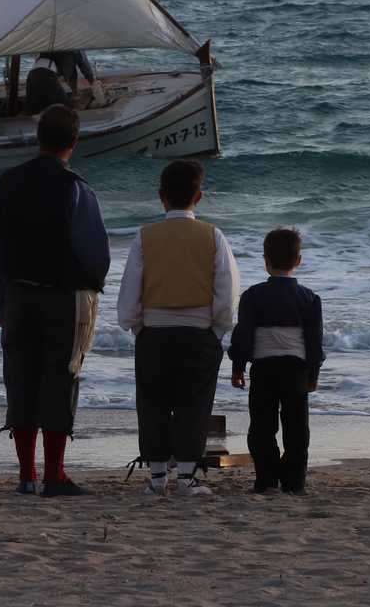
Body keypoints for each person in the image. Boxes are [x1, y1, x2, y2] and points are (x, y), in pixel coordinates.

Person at [0, 104, 109, 497]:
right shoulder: (76, 189)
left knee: (20, 380)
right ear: (74, 142)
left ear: (38, 139)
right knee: (60, 380)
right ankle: (54, 475)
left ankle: (26, 475)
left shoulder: (6, 183)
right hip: (63, 298)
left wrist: (1, 299)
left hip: (17, 295)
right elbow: (94, 254)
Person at [117, 158, 239, 498]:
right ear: (199, 197)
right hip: (199, 333)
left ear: (161, 197)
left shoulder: (145, 237)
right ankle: (186, 477)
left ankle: (156, 478)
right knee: (194, 404)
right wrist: (217, 329)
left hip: (154, 333)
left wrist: (136, 326)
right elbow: (227, 293)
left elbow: (130, 292)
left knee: (152, 403)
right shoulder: (213, 236)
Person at [230, 228, 324, 494]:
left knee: (262, 427)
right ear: (298, 261)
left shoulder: (252, 296)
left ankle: (267, 480)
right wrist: (313, 374)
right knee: (296, 429)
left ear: (265, 260)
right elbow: (314, 342)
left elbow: (244, 336)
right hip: (296, 369)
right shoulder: (309, 298)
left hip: (264, 368)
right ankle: (294, 483)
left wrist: (238, 367)